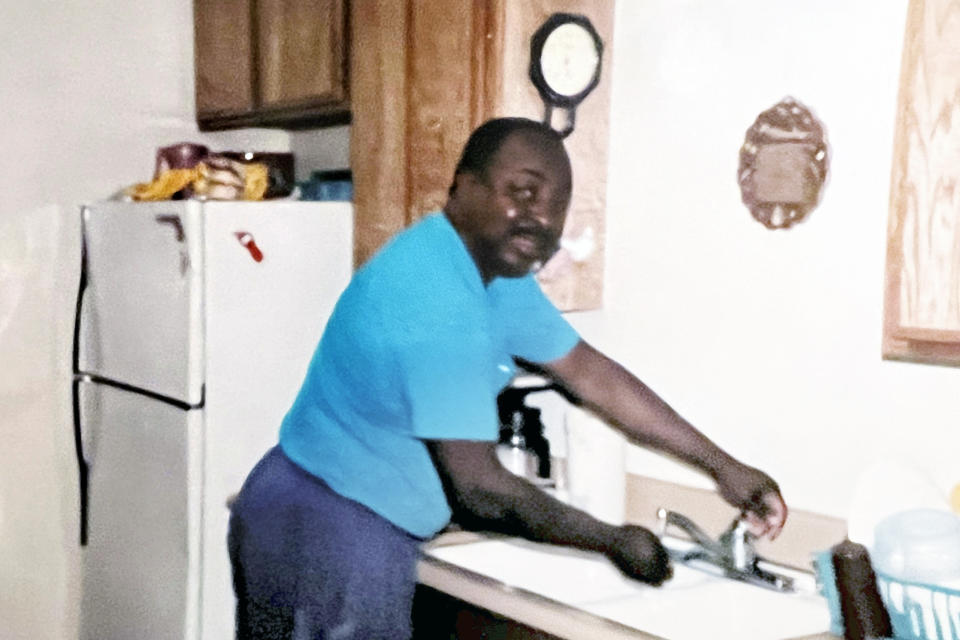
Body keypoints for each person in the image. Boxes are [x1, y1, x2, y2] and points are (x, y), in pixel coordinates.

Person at [227, 117, 787, 639]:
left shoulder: (491, 271)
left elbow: (593, 375)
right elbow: (481, 492)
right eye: (523, 192)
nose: (541, 219)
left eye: (556, 205)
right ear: (462, 187)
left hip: (312, 506)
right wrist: (610, 540)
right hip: (332, 528)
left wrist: (726, 468)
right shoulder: (435, 293)